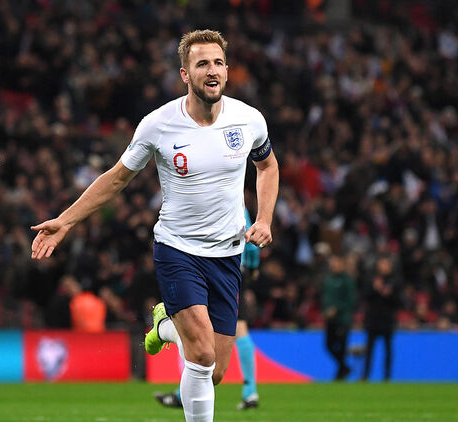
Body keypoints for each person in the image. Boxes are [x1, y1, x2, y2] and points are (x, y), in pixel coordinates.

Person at [31, 29, 279, 422]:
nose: (212, 71)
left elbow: (267, 166)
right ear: (185, 74)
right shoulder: (158, 124)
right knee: (200, 355)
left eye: (218, 63)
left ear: (227, 70)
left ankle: (165, 326)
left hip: (227, 253)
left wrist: (264, 218)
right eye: (202, 64)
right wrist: (65, 221)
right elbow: (116, 178)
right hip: (178, 249)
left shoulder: (249, 120)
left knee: (215, 371)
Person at [153, 206, 261, 410]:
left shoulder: (220, 199)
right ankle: (250, 391)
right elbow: (252, 239)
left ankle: (184, 392)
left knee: (216, 340)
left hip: (225, 268)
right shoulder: (235, 202)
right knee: (225, 330)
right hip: (227, 267)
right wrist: (253, 265)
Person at [361, 256, 400, 381]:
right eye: (381, 264)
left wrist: (387, 294)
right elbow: (365, 296)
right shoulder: (372, 279)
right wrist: (375, 289)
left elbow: (399, 301)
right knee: (369, 350)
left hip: (387, 319)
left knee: (388, 350)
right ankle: (365, 375)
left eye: (386, 264)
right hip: (373, 319)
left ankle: (387, 376)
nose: (383, 267)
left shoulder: (395, 281)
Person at [321, 253, 356, 381]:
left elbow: (351, 300)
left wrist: (337, 309)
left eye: (336, 262)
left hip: (343, 319)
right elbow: (325, 297)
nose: (333, 265)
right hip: (330, 320)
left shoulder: (347, 280)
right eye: (332, 262)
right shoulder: (328, 279)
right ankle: (344, 367)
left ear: (342, 264)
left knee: (341, 346)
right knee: (328, 345)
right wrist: (325, 310)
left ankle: (341, 372)